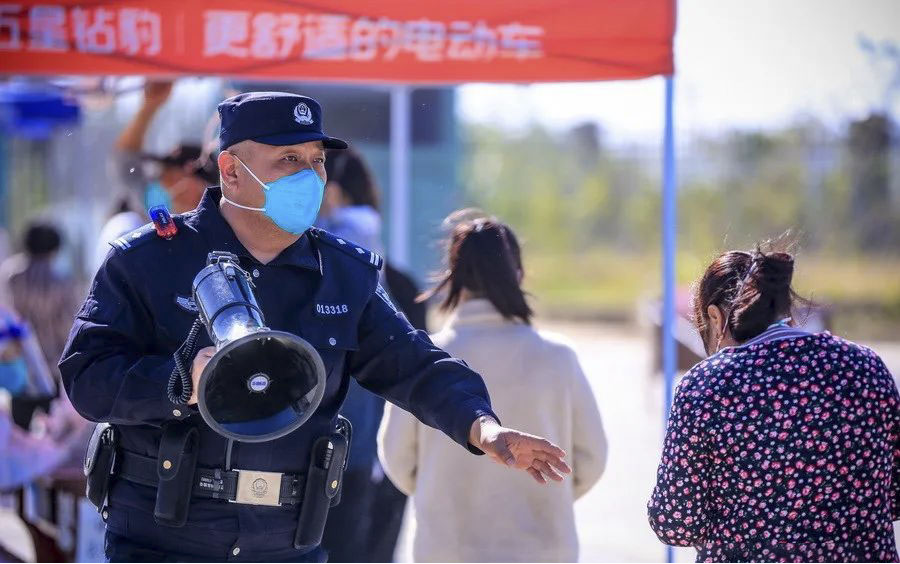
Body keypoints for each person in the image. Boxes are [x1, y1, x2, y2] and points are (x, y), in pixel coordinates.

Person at [59, 92, 571, 563]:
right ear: (232, 171)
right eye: (288, 160)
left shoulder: (344, 275)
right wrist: (180, 381)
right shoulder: (149, 261)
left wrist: (484, 427)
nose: (309, 176)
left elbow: (416, 364)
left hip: (286, 544)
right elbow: (87, 376)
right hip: (163, 542)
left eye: (316, 161)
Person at [378, 211, 608, 563]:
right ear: (518, 275)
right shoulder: (559, 358)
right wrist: (550, 496)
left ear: (453, 277)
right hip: (543, 549)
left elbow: (396, 456)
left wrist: (434, 495)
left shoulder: (426, 356)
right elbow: (592, 458)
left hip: (445, 547)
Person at [648, 247, 900, 562]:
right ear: (785, 308)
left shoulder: (706, 386)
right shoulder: (866, 368)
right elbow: (894, 495)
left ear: (715, 317)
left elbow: (675, 523)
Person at [94, 80, 217, 272]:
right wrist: (150, 106)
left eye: (169, 174)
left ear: (194, 182)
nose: (159, 179)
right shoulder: (131, 221)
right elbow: (124, 160)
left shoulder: (217, 229)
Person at [0, 222, 79, 382]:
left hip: (19, 364)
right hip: (55, 365)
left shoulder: (11, 274)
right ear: (55, 247)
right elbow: (70, 325)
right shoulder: (61, 279)